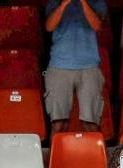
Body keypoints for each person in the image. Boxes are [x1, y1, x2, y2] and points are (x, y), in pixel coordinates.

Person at [43, 0, 106, 136]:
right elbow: (49, 26)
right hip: (59, 66)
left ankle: (94, 156)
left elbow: (97, 26)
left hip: (89, 66)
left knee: (91, 124)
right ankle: (57, 157)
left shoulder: (97, 3)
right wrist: (64, 4)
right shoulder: (55, 2)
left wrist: (83, 2)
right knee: (58, 124)